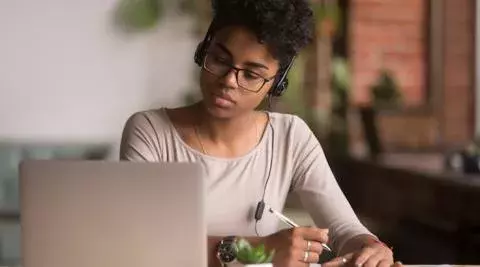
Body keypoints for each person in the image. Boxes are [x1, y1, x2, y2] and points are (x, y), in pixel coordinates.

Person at [120, 0, 401, 266]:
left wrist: (370, 248)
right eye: (219, 59)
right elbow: (141, 244)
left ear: (275, 84)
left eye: (251, 75)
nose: (229, 81)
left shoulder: (291, 137)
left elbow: (345, 229)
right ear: (203, 50)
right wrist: (256, 250)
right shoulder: (151, 131)